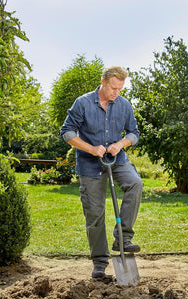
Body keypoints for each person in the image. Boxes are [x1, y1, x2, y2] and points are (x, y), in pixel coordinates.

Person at [60, 66, 143, 279]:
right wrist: (90, 148)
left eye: (120, 89)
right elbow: (67, 132)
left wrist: (121, 143)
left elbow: (134, 132)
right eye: (113, 88)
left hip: (116, 158)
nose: (116, 92)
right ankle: (99, 263)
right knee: (95, 214)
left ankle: (122, 238)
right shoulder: (83, 103)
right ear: (103, 82)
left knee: (135, 183)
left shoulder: (124, 105)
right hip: (90, 164)